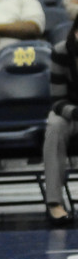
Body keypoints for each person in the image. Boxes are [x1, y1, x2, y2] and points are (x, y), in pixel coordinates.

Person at [44, 13, 78, 226]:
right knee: (54, 126)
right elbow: (57, 101)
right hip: (70, 113)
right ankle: (54, 204)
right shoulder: (61, 53)